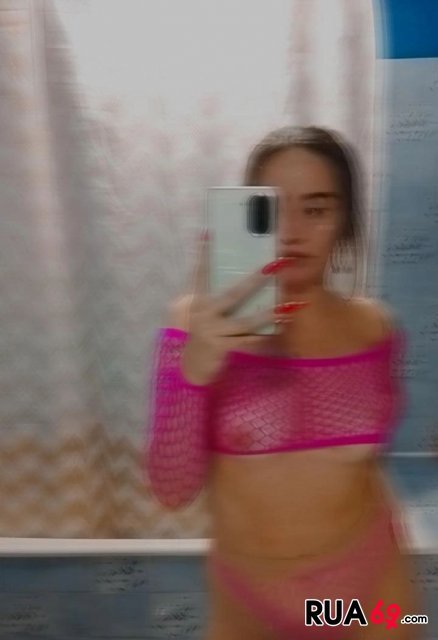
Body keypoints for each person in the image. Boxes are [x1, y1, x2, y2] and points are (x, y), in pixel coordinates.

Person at [146, 126, 421, 639]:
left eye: (316, 210)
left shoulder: (375, 327)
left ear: (344, 222)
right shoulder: (193, 325)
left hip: (367, 590)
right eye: (272, 210)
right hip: (249, 602)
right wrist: (194, 373)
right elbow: (171, 491)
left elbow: (365, 467)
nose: (291, 232)